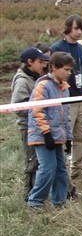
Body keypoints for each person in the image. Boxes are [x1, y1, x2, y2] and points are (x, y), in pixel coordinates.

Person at [51, 14, 82, 197]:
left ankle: (79, 170)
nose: (78, 32)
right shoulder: (57, 49)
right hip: (66, 100)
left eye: (81, 29)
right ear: (68, 28)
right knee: (64, 136)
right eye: (76, 28)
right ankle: (62, 173)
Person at [26, 51, 74, 212]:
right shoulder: (43, 86)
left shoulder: (65, 88)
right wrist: (46, 133)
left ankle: (59, 201)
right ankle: (36, 201)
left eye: (70, 70)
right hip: (42, 136)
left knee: (61, 168)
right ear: (54, 67)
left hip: (58, 135)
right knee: (47, 168)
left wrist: (68, 137)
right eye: (66, 69)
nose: (69, 73)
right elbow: (37, 111)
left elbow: (65, 114)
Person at [11, 45, 51, 198]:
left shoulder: (34, 78)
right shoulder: (22, 81)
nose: (43, 65)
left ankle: (39, 193)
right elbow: (18, 107)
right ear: (29, 62)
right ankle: (28, 195)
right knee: (31, 161)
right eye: (40, 62)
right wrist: (37, 109)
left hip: (37, 125)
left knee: (39, 161)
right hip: (28, 127)